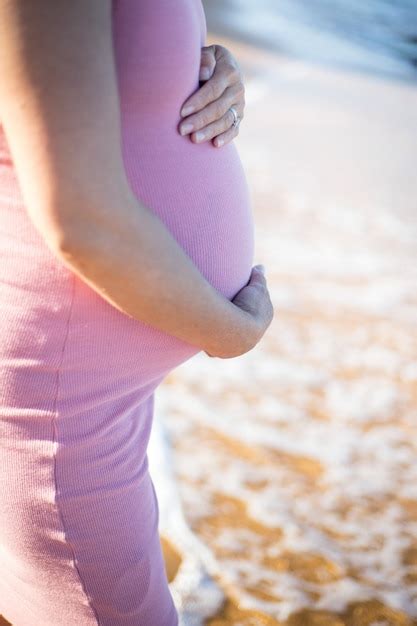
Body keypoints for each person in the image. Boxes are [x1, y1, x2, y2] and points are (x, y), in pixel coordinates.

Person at [0, 1, 274, 625]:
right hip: (58, 410)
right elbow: (82, 223)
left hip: (78, 384)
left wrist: (200, 65)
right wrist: (227, 330)